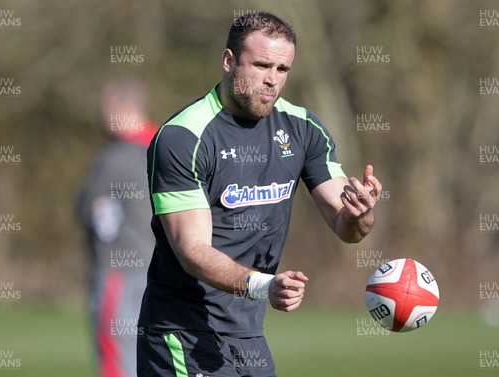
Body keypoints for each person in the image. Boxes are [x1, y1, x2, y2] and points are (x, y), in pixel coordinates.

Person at [137, 12, 382, 377]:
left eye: (283, 69)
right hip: (183, 333)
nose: (272, 80)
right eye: (262, 65)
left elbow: (346, 226)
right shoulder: (183, 137)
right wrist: (264, 286)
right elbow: (192, 251)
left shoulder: (303, 129)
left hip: (249, 335)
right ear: (228, 60)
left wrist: (359, 213)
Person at [77, 79, 159, 377]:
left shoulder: (116, 157)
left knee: (117, 357)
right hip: (161, 272)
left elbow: (85, 207)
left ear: (120, 109)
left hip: (119, 271)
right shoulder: (167, 145)